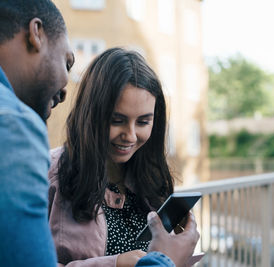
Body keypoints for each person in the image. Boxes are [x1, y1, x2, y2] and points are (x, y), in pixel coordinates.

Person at [0, 0, 197, 266]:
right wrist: (161, 263)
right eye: (67, 62)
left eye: (143, 121)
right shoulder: (1, 123)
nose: (65, 87)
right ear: (36, 34)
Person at [48, 47, 200, 267]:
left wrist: (179, 253)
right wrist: (117, 264)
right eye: (117, 120)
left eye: (143, 122)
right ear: (91, 114)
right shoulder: (50, 172)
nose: (130, 136)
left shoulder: (151, 177)